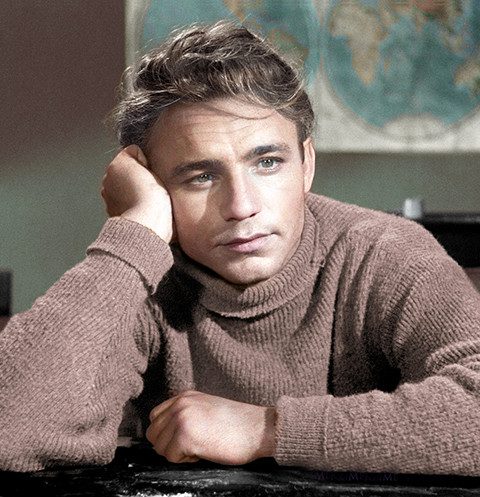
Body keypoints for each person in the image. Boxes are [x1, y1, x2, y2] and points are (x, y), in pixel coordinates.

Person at [1, 20, 480, 475]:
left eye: (267, 162)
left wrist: (266, 429)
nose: (241, 206)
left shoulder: (385, 254)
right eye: (201, 176)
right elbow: (9, 431)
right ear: (150, 181)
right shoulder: (138, 276)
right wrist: (136, 232)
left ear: (306, 164)